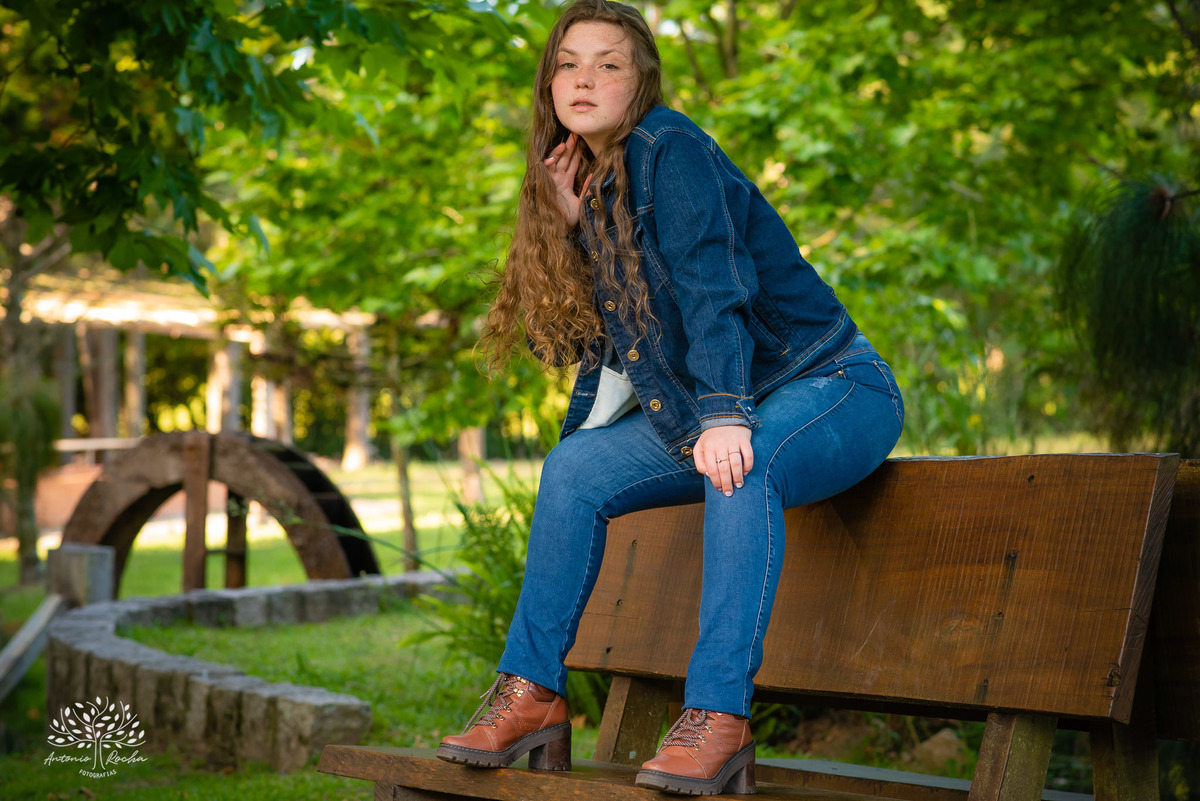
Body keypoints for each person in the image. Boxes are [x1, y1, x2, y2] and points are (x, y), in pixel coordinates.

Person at [436, 0, 905, 795]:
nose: (584, 78)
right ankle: (533, 695)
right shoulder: (597, 183)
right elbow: (607, 347)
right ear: (549, 83)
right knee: (575, 469)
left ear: (641, 81)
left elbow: (714, 282)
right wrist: (576, 225)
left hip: (831, 387)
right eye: (568, 63)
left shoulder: (670, 146)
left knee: (740, 468)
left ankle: (718, 717)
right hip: (724, 410)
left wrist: (724, 411)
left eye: (608, 64)